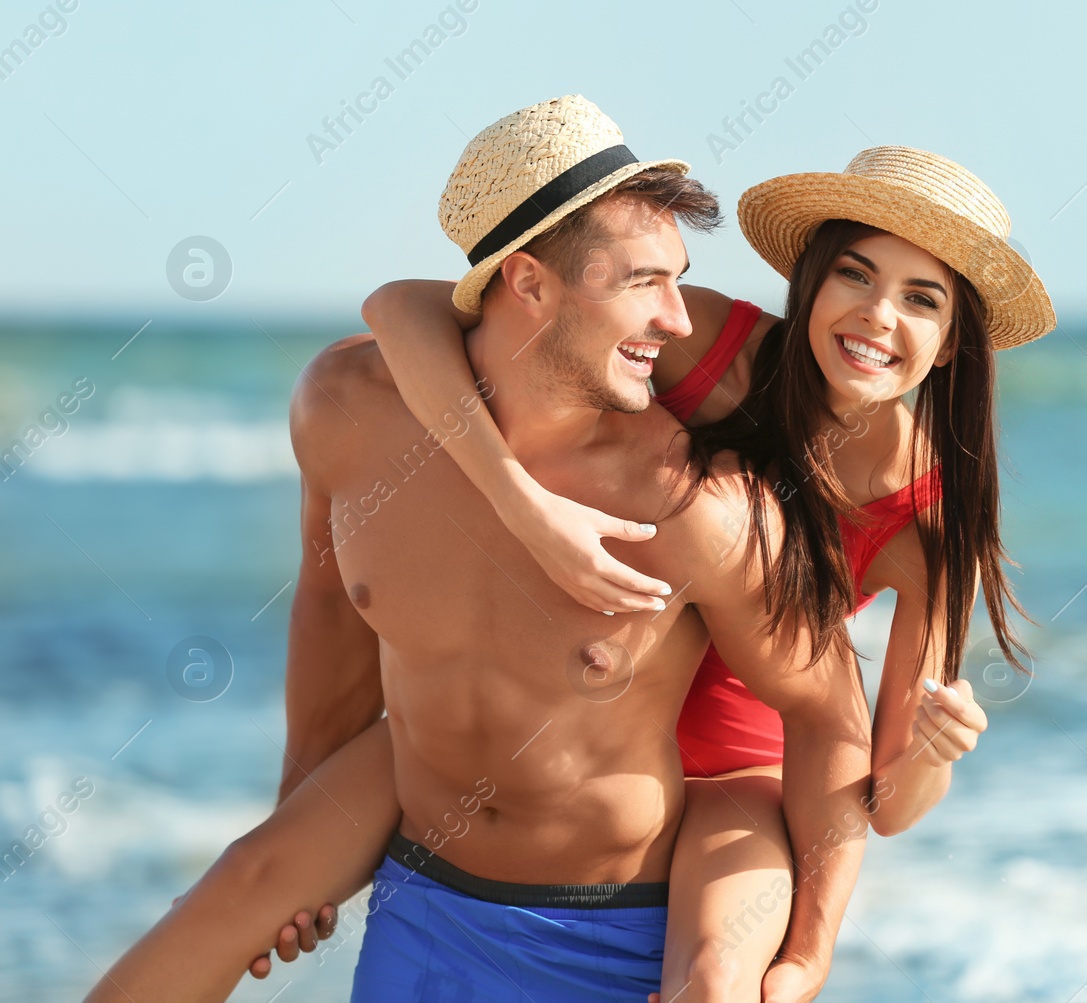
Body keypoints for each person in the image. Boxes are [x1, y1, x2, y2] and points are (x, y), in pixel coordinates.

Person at [86, 95, 872, 1003]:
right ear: (530, 282)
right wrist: (298, 820)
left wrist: (802, 960)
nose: (679, 319)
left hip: (612, 936)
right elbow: (335, 605)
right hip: (424, 907)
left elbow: (829, 718)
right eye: (643, 282)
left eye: (679, 278)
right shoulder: (347, 407)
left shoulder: (693, 506)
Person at [261, 142, 1060, 998]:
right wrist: (522, 504)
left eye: (921, 299)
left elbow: (888, 798)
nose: (877, 316)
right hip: (573, 728)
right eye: (856, 276)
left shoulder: (929, 515)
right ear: (813, 279)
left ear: (948, 345)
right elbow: (404, 307)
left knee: (718, 980)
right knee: (254, 882)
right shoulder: (712, 347)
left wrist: (935, 755)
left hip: (733, 781)